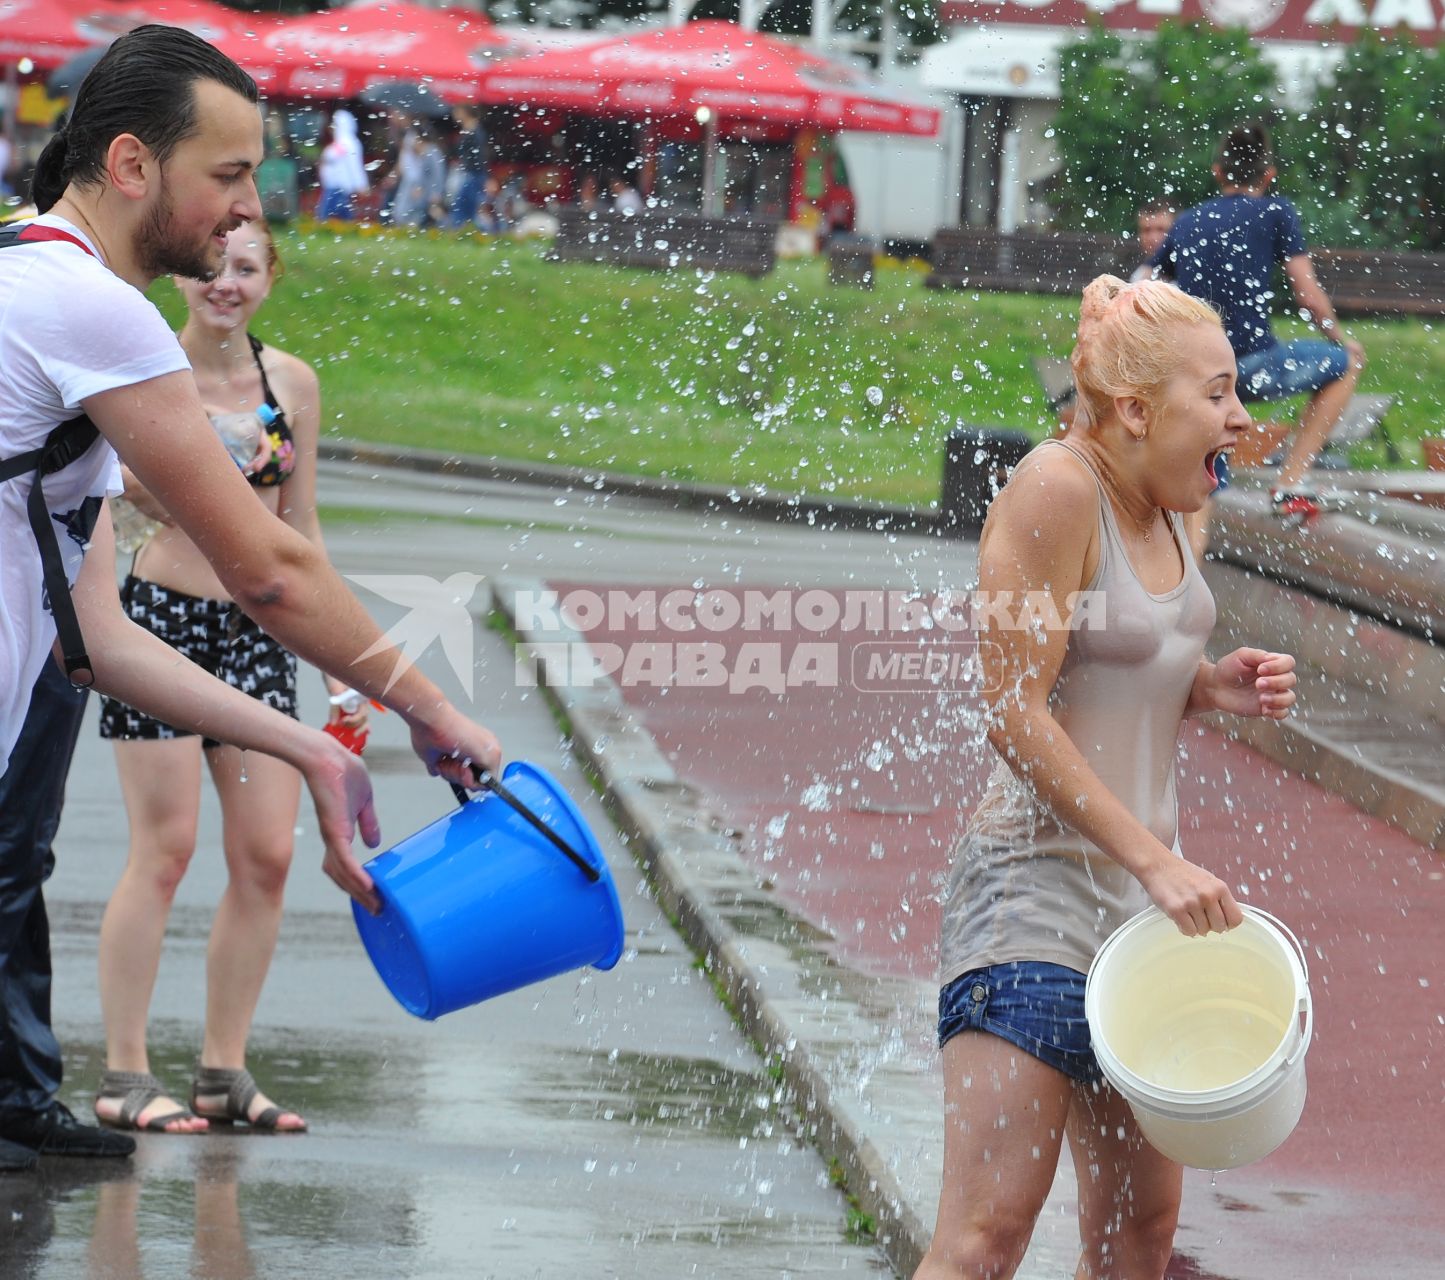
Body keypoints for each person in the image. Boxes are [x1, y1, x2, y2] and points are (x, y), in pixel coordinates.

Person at [0, 25, 500, 1172]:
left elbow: (95, 641)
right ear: (132, 166)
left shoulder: (44, 287)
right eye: (227, 175)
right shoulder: (93, 309)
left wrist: (308, 748)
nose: (246, 208)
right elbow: (268, 567)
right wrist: (428, 706)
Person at [914, 276, 1298, 1279]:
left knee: (1136, 1237)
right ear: (1135, 409)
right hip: (1030, 900)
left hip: (1136, 917)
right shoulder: (1055, 485)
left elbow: (1112, 670)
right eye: (1216, 393)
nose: (1240, 416)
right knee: (983, 1237)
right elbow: (1011, 705)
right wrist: (1156, 860)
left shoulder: (1173, 502)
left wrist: (1206, 685)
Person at [91, 221, 360, 1134]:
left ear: (269, 279)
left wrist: (341, 660)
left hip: (259, 640)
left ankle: (224, 1069)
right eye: (213, 267)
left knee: (268, 856)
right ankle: (126, 1073)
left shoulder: (294, 385)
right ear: (183, 278)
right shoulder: (145, 372)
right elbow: (106, 495)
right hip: (161, 626)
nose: (227, 283)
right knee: (164, 852)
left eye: (246, 268)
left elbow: (302, 525)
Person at [1151, 122, 1365, 522]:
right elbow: (1307, 295)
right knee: (1347, 364)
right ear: (1269, 173)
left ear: (1217, 171)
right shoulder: (1276, 211)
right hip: (1252, 368)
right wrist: (1341, 339)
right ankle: (1290, 483)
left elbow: (1141, 285)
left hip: (1200, 379)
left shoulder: (1188, 221)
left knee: (1202, 502)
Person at [316, 109, 368, 222]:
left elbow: (355, 165)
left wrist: (361, 184)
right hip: (332, 185)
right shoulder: (339, 142)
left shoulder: (350, 143)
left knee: (326, 214)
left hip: (339, 186)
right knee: (341, 213)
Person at [448, 104, 488, 230]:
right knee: (467, 206)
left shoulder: (475, 131)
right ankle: (466, 231)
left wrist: (485, 177)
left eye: (457, 110)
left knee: (466, 206)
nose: (454, 114)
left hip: (473, 174)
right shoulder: (468, 129)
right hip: (469, 173)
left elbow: (480, 156)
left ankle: (468, 231)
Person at [1130, 199, 1174, 282]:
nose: (1153, 238)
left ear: (1175, 232)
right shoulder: (1138, 277)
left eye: (1161, 230)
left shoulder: (1186, 273)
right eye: (1146, 230)